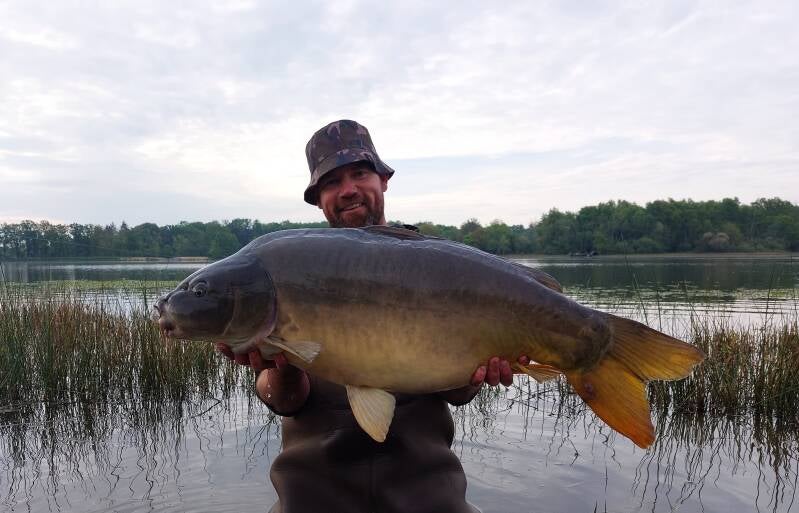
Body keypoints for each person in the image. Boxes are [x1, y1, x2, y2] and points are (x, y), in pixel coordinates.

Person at [217, 120, 528, 512]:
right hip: (313, 499)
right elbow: (284, 400)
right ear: (318, 199)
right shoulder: (293, 270)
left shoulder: (435, 266)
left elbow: (458, 394)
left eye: (360, 173)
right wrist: (282, 367)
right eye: (332, 182)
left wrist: (481, 371)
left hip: (428, 497)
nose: (348, 189)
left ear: (383, 180)